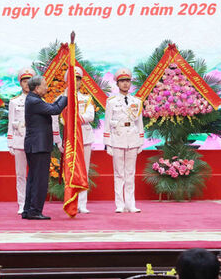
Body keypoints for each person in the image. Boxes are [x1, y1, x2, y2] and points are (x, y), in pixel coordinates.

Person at [22, 75, 67, 220]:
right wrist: (66, 96)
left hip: (35, 145)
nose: (47, 88)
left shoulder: (33, 99)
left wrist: (61, 97)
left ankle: (28, 210)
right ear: (37, 88)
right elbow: (55, 109)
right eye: (44, 85)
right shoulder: (34, 101)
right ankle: (35, 211)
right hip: (38, 146)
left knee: (33, 179)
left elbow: (52, 107)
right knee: (39, 179)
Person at [104, 68, 144, 213]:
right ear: (117, 83)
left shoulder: (137, 101)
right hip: (117, 139)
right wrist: (108, 143)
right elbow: (107, 123)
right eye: (122, 81)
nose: (125, 84)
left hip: (132, 138)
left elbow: (139, 122)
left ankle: (131, 204)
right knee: (119, 174)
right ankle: (119, 204)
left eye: (127, 81)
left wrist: (140, 141)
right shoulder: (111, 102)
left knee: (130, 173)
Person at [57, 67, 95, 214]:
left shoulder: (86, 98)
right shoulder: (61, 99)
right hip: (69, 139)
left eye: (78, 79)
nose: (76, 82)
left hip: (84, 137)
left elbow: (90, 116)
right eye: (73, 79)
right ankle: (71, 200)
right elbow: (56, 119)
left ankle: (82, 203)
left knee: (84, 170)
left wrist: (73, 119)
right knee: (70, 170)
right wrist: (58, 140)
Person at [7, 68, 35, 215]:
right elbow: (11, 122)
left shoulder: (38, 100)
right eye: (24, 81)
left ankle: (33, 203)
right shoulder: (14, 102)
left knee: (34, 175)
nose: (26, 84)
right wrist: (10, 142)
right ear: (20, 83)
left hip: (34, 141)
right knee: (20, 174)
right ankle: (22, 203)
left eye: (29, 81)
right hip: (19, 141)